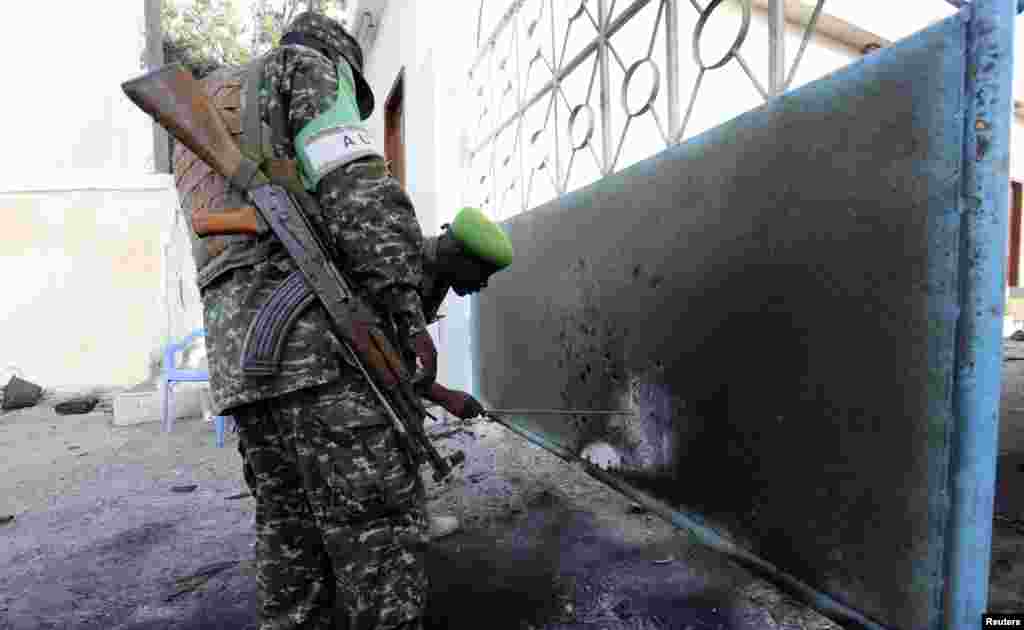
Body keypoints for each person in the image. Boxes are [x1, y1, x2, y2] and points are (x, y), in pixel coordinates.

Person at [171, 11, 437, 630]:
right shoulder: (307, 71)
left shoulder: (213, 101)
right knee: (379, 537)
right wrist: (407, 307)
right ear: (340, 59)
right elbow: (359, 193)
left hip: (243, 362)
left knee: (290, 541)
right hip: (319, 352)